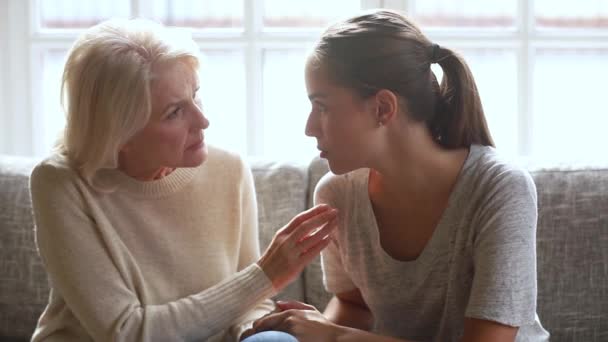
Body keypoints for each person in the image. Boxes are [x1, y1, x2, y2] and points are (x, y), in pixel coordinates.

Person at [249, 9, 550, 342]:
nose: (309, 128)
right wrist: (307, 331)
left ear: (382, 108)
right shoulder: (338, 196)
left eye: (322, 106)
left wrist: (333, 336)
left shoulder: (500, 189)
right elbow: (355, 307)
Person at [29, 18, 338, 342]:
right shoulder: (61, 184)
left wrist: (260, 330)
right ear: (120, 132)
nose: (202, 120)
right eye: (174, 112)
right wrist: (264, 276)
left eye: (196, 94)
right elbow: (127, 333)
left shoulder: (228, 169)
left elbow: (250, 305)